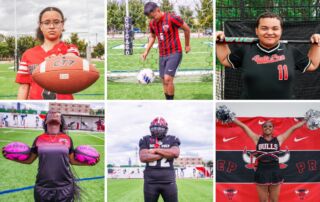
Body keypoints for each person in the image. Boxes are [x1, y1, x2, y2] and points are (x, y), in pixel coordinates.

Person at [216, 12, 320, 99]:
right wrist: (220, 42)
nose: (270, 32)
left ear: (281, 31)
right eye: (264, 28)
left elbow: (312, 65)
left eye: (275, 28)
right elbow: (225, 60)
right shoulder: (246, 50)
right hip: (250, 109)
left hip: (285, 109)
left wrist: (317, 43)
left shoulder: (291, 51)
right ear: (257, 30)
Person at [11, 110, 99, 201]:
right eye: (51, 113)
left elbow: (72, 160)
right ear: (45, 121)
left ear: (61, 121)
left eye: (57, 114)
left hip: (65, 187)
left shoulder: (67, 139)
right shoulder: (39, 139)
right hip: (42, 187)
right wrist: (11, 157)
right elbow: (29, 160)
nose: (54, 114)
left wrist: (88, 163)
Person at [233, 118, 306, 202]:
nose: (267, 128)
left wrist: (305, 121)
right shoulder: (257, 139)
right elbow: (243, 126)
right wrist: (232, 119)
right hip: (261, 170)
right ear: (262, 128)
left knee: (274, 200)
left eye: (270, 126)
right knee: (263, 200)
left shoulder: (278, 139)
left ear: (273, 128)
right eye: (265, 126)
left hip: (275, 170)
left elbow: (293, 128)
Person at [16, 7, 80, 100]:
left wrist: (58, 62)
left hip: (63, 105)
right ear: (41, 26)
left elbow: (72, 58)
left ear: (62, 25)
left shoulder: (70, 49)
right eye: (46, 23)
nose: (52, 26)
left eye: (56, 22)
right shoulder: (28, 54)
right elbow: (23, 87)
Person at [142, 2, 191, 100]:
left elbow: (187, 29)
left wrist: (187, 45)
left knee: (168, 78)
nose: (153, 19)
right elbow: (152, 36)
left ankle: (170, 102)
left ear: (158, 10)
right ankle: (167, 100)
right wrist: (146, 51)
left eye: (154, 16)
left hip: (175, 52)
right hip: (162, 54)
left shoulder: (172, 18)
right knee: (163, 80)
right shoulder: (152, 23)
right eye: (151, 17)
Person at [139, 117, 181, 202]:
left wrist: (155, 150)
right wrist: (166, 153)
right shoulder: (146, 139)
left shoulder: (172, 139)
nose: (157, 130)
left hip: (169, 182)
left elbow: (175, 153)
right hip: (150, 183)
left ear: (165, 129)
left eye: (159, 128)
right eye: (154, 128)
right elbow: (143, 157)